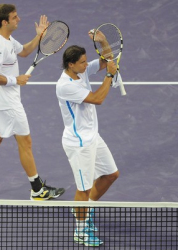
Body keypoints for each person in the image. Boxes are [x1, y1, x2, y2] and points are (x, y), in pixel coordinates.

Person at [0, 4, 65, 200]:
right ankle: (37, 189)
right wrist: (15, 80)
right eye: (15, 17)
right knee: (26, 142)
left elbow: (24, 51)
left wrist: (39, 36)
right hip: (7, 104)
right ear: (4, 22)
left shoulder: (4, 37)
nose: (19, 19)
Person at [55, 30, 120, 247]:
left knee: (111, 174)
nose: (86, 65)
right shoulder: (65, 85)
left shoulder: (80, 72)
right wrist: (109, 76)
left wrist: (103, 42)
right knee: (82, 189)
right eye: (82, 63)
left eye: (85, 61)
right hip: (79, 144)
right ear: (71, 64)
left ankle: (86, 212)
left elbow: (106, 60)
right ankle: (80, 231)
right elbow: (97, 99)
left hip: (93, 137)